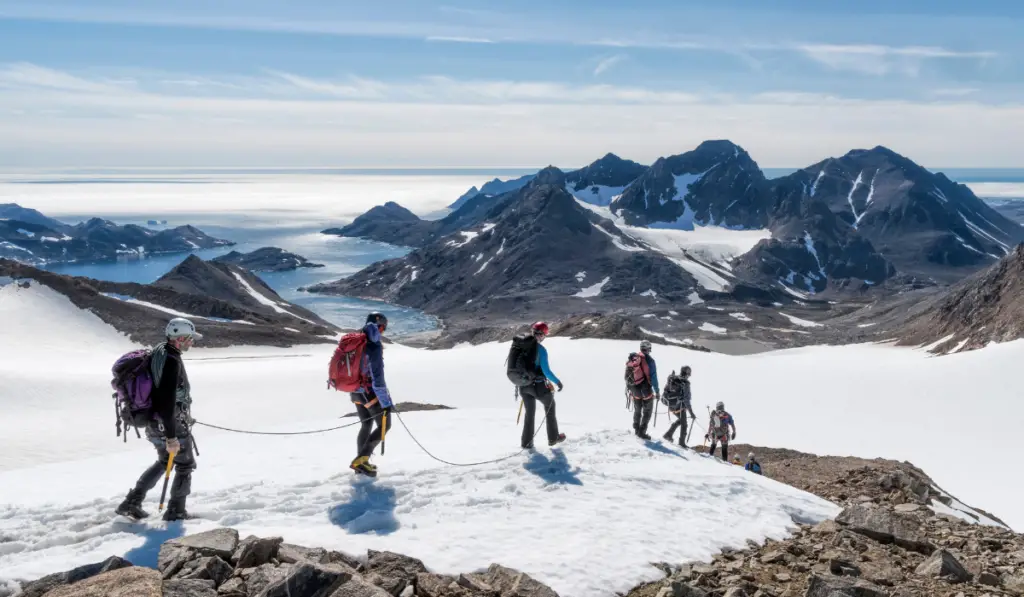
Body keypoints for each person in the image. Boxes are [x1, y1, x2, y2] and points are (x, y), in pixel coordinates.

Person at [115, 318, 200, 521]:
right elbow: (165, 400)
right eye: (190, 339)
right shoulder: (171, 361)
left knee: (164, 462)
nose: (192, 343)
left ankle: (131, 502)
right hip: (167, 423)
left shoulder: (159, 352)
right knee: (185, 465)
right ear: (180, 339)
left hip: (153, 421)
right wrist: (172, 436)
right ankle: (176, 511)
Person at [349, 312, 394, 477]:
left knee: (366, 425)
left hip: (355, 392)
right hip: (369, 393)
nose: (383, 332)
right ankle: (361, 460)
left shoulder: (356, 339)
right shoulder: (373, 345)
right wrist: (386, 402)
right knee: (385, 425)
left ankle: (362, 463)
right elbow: (377, 378)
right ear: (380, 326)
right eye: (383, 328)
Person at [519, 322, 566, 450]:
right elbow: (546, 371)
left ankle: (526, 443)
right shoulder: (541, 350)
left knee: (530, 413)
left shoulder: (521, 345)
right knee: (550, 406)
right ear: (542, 335)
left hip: (523, 386)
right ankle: (553, 438)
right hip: (537, 386)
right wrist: (557, 382)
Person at [625, 340, 659, 440]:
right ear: (648, 349)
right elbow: (653, 378)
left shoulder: (635, 358)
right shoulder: (650, 361)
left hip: (634, 389)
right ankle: (642, 432)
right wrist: (657, 391)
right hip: (645, 389)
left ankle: (636, 429)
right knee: (647, 411)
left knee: (637, 409)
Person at [661, 365, 697, 447]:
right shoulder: (685, 383)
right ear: (687, 373)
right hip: (680, 407)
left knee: (680, 420)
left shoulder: (673, 379)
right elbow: (687, 400)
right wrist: (691, 413)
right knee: (684, 424)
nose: (689, 376)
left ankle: (668, 435)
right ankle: (681, 442)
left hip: (670, 405)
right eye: (689, 374)